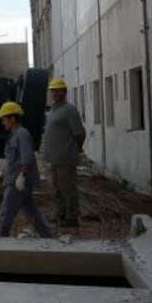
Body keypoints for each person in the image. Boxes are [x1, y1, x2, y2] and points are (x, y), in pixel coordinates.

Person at [0, 101, 53, 238]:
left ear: (13, 118)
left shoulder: (21, 134)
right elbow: (12, 159)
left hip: (17, 183)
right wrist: (3, 173)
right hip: (17, 180)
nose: (3, 122)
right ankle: (48, 238)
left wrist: (21, 176)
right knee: (33, 214)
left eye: (4, 119)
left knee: (5, 214)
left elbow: (26, 158)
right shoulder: (14, 136)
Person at [43, 78, 86, 227]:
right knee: (57, 188)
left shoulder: (70, 110)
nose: (55, 93)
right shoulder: (53, 110)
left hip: (66, 157)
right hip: (55, 158)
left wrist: (78, 148)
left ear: (64, 92)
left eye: (57, 90)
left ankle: (72, 217)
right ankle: (61, 213)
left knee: (68, 188)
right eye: (53, 91)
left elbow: (80, 133)